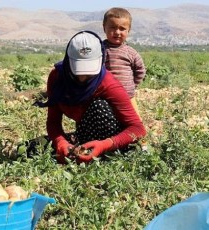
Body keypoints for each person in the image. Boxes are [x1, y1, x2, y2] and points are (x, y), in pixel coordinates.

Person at [36, 30, 146, 163]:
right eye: (77, 72)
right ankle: (82, 150)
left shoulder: (107, 83)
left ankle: (103, 156)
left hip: (113, 140)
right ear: (68, 61)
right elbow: (53, 121)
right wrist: (61, 143)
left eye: (89, 74)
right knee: (31, 148)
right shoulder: (58, 78)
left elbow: (138, 129)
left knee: (99, 106)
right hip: (85, 134)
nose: (82, 78)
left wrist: (105, 144)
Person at [102, 7, 146, 116]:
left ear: (128, 30)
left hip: (127, 95)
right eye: (112, 27)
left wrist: (132, 85)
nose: (117, 32)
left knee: (135, 123)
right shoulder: (99, 49)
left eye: (122, 29)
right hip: (105, 96)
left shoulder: (131, 52)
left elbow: (140, 70)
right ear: (104, 28)